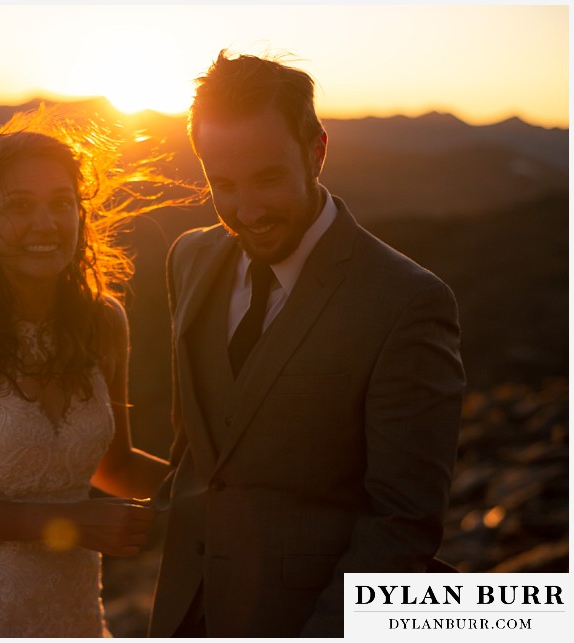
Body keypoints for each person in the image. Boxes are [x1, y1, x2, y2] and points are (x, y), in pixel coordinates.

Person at [148, 51, 466, 638]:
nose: (247, 210)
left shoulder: (407, 302)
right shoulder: (188, 258)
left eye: (268, 178)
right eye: (223, 184)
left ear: (317, 151)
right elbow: (197, 448)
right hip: (181, 614)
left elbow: (402, 524)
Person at [0, 107, 193, 637]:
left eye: (60, 204)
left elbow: (110, 466)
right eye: (19, 206)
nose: (44, 224)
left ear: (79, 214)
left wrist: (213, 489)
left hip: (68, 611)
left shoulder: (103, 321)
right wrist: (65, 523)